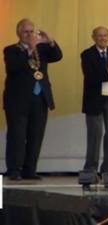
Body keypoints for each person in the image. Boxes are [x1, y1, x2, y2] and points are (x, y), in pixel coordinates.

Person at [3, 18, 62, 180]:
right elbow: (13, 67)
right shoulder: (11, 50)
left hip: (40, 98)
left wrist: (50, 41)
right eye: (25, 32)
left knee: (35, 135)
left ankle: (30, 170)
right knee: (17, 135)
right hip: (18, 101)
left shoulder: (41, 49)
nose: (29, 35)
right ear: (18, 33)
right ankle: (14, 170)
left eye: (31, 31)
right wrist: (29, 49)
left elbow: (57, 56)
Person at [80, 26, 108, 175]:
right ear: (93, 37)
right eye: (99, 36)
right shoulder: (86, 54)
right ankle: (90, 169)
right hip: (94, 100)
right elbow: (91, 77)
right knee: (94, 135)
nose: (103, 38)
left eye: (105, 35)